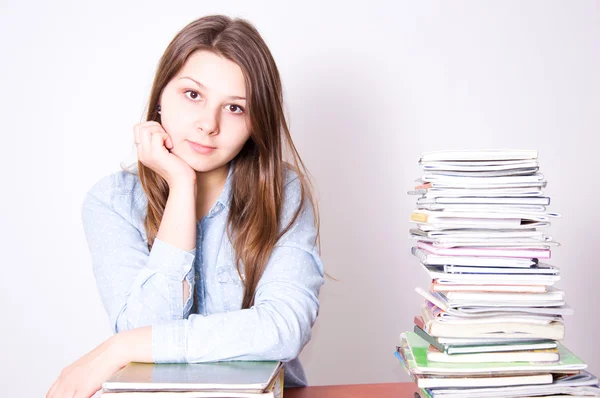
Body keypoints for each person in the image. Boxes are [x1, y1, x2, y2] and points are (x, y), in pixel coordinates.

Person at [46, 14, 324, 398]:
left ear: (256, 122)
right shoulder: (112, 202)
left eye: (235, 108)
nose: (208, 124)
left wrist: (123, 347)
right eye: (193, 95)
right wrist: (181, 185)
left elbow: (284, 327)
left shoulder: (281, 191)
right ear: (160, 96)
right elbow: (147, 322)